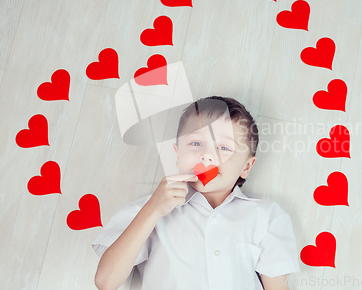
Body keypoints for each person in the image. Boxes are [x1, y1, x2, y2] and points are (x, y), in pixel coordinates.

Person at [92, 96, 300, 290]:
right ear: (178, 154)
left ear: (246, 167)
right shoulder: (148, 210)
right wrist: (152, 211)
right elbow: (105, 281)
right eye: (196, 143)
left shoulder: (265, 215)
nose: (207, 155)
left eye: (224, 148)